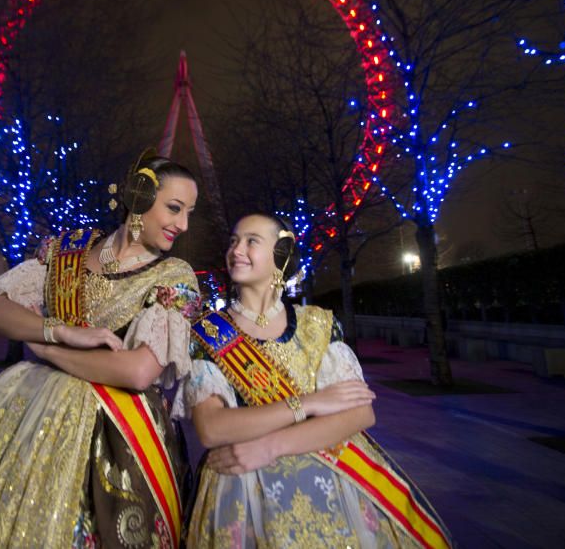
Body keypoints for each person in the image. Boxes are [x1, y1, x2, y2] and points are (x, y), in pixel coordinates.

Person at [0, 153, 202, 548]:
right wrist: (61, 332)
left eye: (189, 212)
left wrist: (46, 350)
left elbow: (139, 372)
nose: (183, 225)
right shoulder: (67, 250)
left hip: (120, 436)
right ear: (139, 196)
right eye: (175, 208)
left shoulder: (173, 275)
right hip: (29, 414)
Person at [176, 213, 452, 549]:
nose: (237, 249)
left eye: (252, 241)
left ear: (282, 253)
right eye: (233, 240)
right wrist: (308, 404)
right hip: (243, 493)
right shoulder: (207, 333)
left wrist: (269, 446)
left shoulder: (318, 324)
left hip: (331, 490)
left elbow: (360, 415)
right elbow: (213, 429)